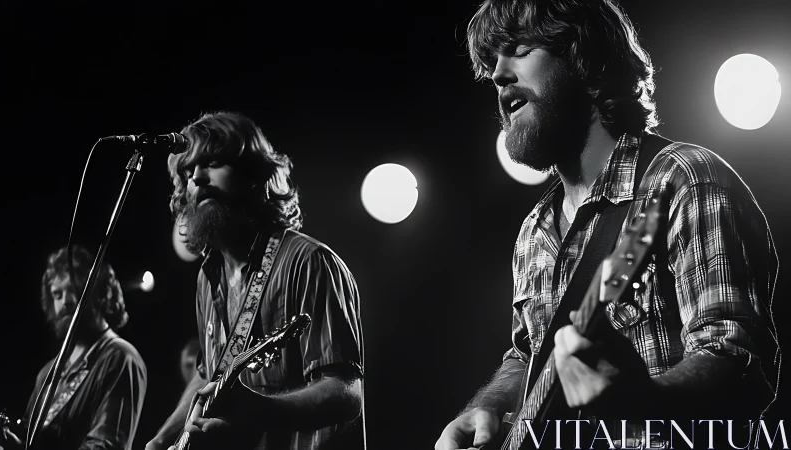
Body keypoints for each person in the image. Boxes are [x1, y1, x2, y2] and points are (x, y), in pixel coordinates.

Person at [435, 0, 780, 449]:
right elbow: (529, 356)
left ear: (588, 62)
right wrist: (487, 406)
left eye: (519, 50)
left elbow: (736, 360)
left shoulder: (682, 180)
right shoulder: (534, 232)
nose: (499, 74)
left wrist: (643, 400)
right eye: (493, 62)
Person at [145, 111, 365, 450]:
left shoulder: (308, 262)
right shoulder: (208, 275)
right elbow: (208, 374)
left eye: (213, 162)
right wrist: (162, 439)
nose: (198, 177)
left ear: (253, 174)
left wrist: (260, 410)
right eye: (188, 172)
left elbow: (346, 393)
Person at [0, 246, 147, 450]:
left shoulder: (121, 357)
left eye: (74, 289)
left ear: (100, 294)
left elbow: (107, 445)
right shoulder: (47, 373)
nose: (65, 301)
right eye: (57, 294)